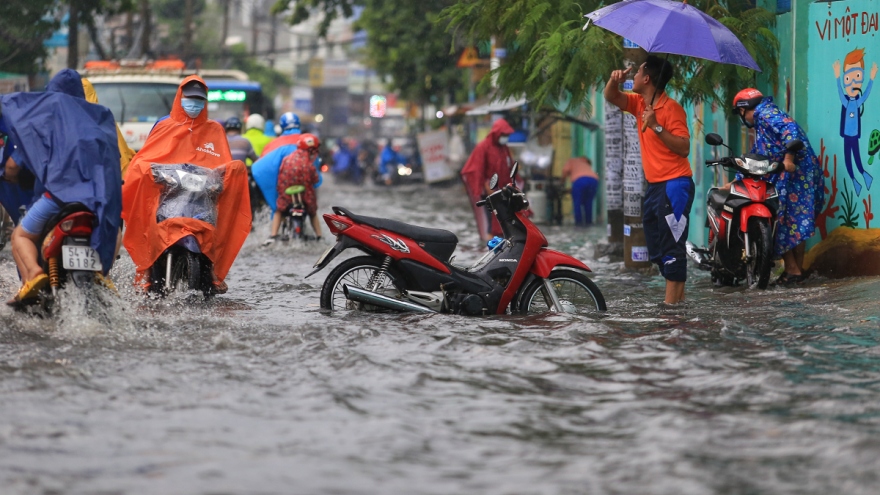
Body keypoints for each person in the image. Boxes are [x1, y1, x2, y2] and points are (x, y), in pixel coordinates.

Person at [1, 69, 122, 304]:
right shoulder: (100, 119)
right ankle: (101, 273)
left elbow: (14, 166)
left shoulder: (45, 121)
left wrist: (10, 174)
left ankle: (33, 275)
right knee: (114, 229)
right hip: (97, 201)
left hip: (57, 199)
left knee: (20, 236)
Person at [122, 76, 251, 294]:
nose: (194, 104)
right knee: (153, 229)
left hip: (202, 201)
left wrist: (230, 173)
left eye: (199, 100)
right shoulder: (164, 127)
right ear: (180, 98)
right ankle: (147, 272)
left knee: (213, 234)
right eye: (190, 98)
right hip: (169, 196)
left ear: (205, 102)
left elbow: (224, 165)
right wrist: (148, 170)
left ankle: (213, 273)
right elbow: (144, 159)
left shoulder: (215, 131)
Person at [604, 56, 694, 305]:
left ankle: (670, 309)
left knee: (672, 246)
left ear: (647, 79)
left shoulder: (671, 108)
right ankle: (679, 301)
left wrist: (655, 126)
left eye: (637, 71)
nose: (632, 75)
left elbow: (684, 147)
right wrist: (614, 81)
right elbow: (612, 97)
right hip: (655, 187)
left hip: (675, 184)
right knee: (657, 249)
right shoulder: (640, 103)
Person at [731, 88, 825, 285]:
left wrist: (789, 159)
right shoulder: (766, 117)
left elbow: (789, 131)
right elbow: (758, 154)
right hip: (800, 171)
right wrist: (737, 178)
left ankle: (792, 270)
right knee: (796, 221)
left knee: (780, 219)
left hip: (793, 172)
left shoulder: (764, 114)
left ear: (743, 109)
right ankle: (795, 272)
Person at [460, 118, 515, 242]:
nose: (505, 137)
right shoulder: (483, 147)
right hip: (490, 193)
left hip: (503, 191)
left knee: (506, 222)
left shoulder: (503, 147)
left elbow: (509, 166)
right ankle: (490, 245)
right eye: (504, 134)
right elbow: (476, 169)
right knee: (493, 222)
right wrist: (488, 188)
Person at [266, 134, 323, 243]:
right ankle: (320, 236)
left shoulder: (287, 159)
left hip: (287, 195)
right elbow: (315, 180)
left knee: (279, 211)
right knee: (313, 213)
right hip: (305, 196)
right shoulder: (309, 164)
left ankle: (273, 236)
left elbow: (281, 177)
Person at [562, 156, 600, 226]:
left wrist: (562, 182)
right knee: (589, 202)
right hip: (593, 180)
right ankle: (588, 222)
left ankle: (578, 223)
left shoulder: (571, 161)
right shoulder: (586, 163)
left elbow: (565, 171)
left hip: (580, 180)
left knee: (577, 202)